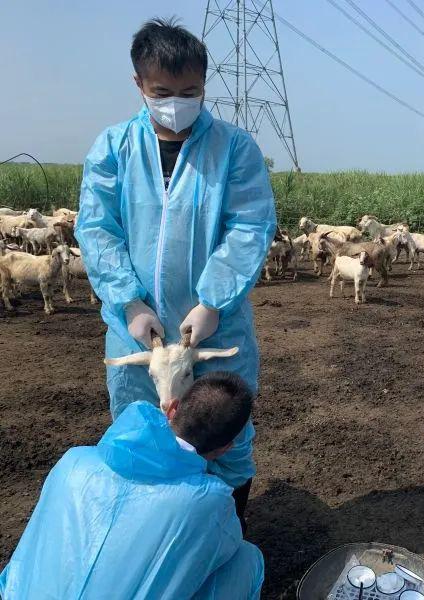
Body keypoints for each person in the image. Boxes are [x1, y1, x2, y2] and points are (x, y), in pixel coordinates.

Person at [75, 18, 276, 526]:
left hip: (217, 331)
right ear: (139, 84)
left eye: (190, 91)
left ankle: (225, 529)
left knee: (224, 440)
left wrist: (213, 300)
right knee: (142, 431)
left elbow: (249, 226)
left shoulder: (234, 150)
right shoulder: (113, 149)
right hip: (136, 336)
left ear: (205, 86)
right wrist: (129, 301)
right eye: (163, 91)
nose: (176, 102)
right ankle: (153, 530)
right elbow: (98, 228)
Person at [0, 372, 264, 599]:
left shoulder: (74, 460)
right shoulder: (209, 501)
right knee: (245, 559)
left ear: (172, 408)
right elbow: (224, 546)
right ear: (226, 449)